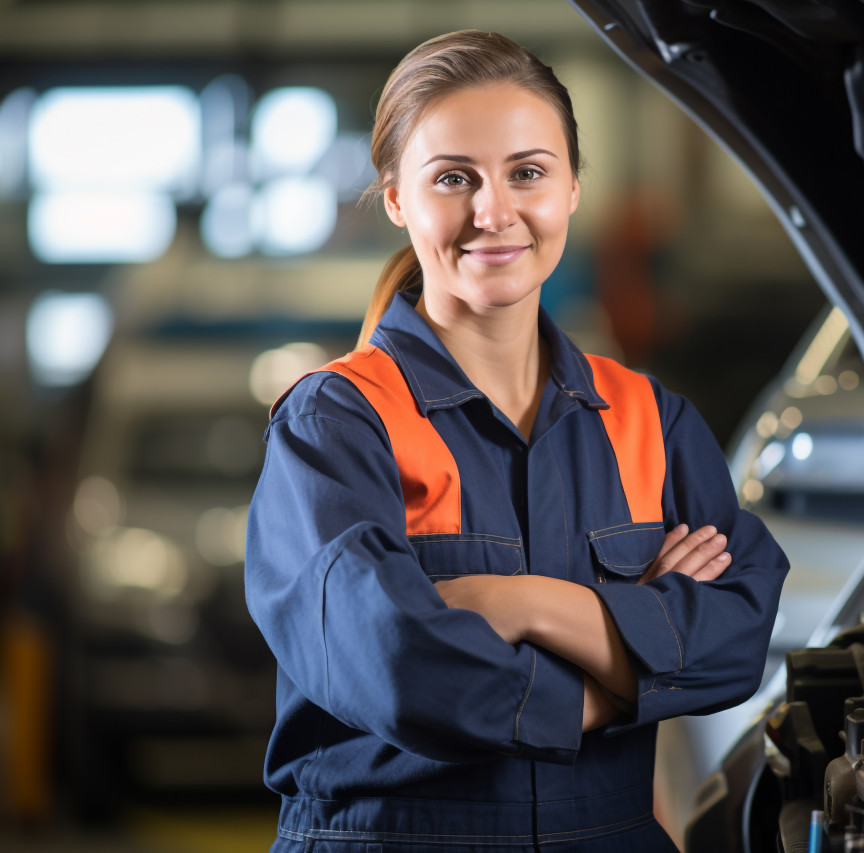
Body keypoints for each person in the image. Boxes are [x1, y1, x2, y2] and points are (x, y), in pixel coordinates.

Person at [245, 30, 789, 852]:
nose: (493, 212)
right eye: (452, 179)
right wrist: (620, 678)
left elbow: (738, 638)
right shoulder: (338, 425)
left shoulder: (649, 420)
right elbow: (398, 667)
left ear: (572, 187)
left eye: (527, 172)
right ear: (396, 197)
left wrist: (522, 602)